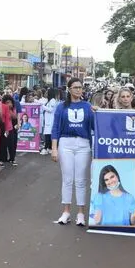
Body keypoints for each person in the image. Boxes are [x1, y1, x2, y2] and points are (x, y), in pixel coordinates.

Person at [51, 79, 95, 226]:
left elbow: (96, 126)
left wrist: (99, 112)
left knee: (81, 180)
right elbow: (55, 128)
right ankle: (66, 211)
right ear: (69, 89)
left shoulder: (88, 106)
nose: (78, 90)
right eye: (75, 87)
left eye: (80, 88)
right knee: (67, 178)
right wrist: (54, 148)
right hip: (65, 143)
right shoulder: (61, 107)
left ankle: (81, 213)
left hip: (83, 144)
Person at [0, 94, 18, 166]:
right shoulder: (2, 107)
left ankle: (12, 158)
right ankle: (2, 159)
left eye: (10, 102)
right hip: (4, 128)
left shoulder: (13, 108)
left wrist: (9, 110)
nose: (9, 104)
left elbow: (14, 116)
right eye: (7, 102)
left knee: (11, 144)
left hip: (10, 128)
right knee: (3, 144)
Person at [41, 87, 59, 156]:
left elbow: (51, 109)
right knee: (47, 134)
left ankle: (48, 148)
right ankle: (48, 147)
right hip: (48, 119)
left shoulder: (53, 101)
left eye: (47, 92)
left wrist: (43, 106)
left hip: (50, 120)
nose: (46, 94)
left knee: (48, 134)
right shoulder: (49, 100)